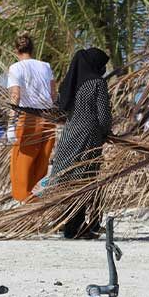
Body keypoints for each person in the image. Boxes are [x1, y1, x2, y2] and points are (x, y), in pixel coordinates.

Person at [50, 48, 112, 239]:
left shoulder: (72, 82)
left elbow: (61, 106)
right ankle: (76, 227)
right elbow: (103, 116)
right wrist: (106, 133)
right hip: (89, 136)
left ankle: (69, 222)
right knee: (84, 179)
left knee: (69, 178)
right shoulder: (97, 83)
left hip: (69, 134)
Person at [7, 33, 56, 201]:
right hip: (48, 117)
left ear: (16, 50)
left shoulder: (16, 68)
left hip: (28, 117)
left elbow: (15, 96)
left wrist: (11, 125)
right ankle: (37, 201)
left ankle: (24, 201)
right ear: (32, 49)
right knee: (42, 161)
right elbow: (53, 94)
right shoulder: (46, 66)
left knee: (22, 163)